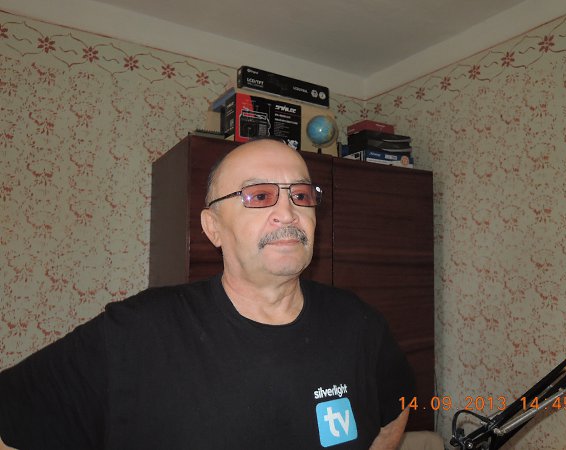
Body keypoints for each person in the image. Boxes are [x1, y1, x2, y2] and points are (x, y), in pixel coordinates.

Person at [0, 138, 415, 449]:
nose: (288, 213)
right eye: (259, 196)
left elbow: (397, 406)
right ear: (212, 227)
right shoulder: (136, 332)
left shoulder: (359, 322)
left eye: (301, 195)